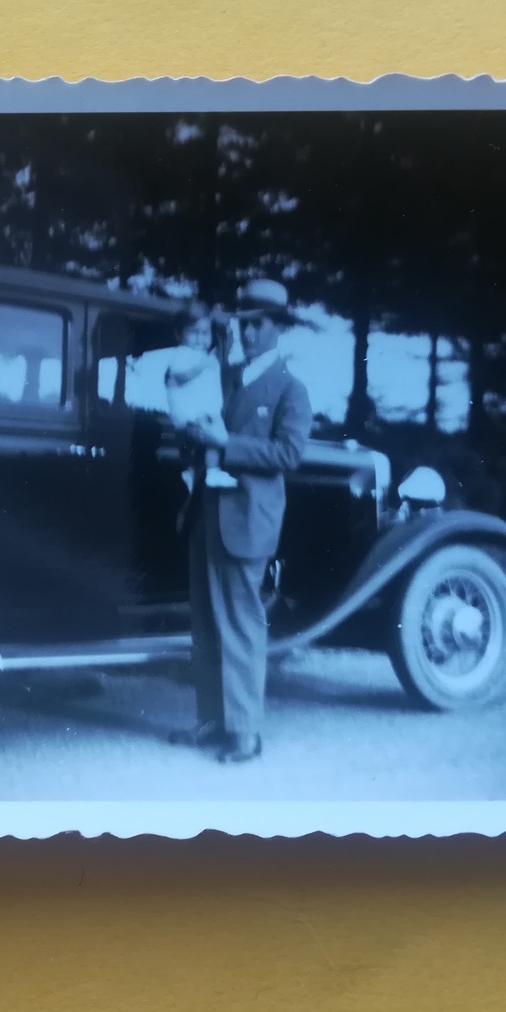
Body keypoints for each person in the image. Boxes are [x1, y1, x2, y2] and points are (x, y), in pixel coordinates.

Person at [170, 278, 313, 764]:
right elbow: (201, 426)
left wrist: (223, 442)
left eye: (257, 325)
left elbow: (290, 453)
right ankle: (213, 720)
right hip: (207, 513)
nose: (247, 333)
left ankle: (246, 732)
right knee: (206, 623)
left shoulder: (290, 389)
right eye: (243, 324)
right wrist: (192, 432)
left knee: (241, 624)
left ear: (277, 330)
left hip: (247, 519)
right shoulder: (225, 377)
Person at [164, 303, 237, 490]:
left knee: (211, 442)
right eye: (194, 332)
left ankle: (196, 473)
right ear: (179, 334)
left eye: (205, 333)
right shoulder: (181, 354)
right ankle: (205, 472)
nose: (200, 338)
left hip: (205, 412)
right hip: (191, 413)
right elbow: (180, 376)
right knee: (215, 439)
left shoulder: (205, 356)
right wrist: (202, 366)